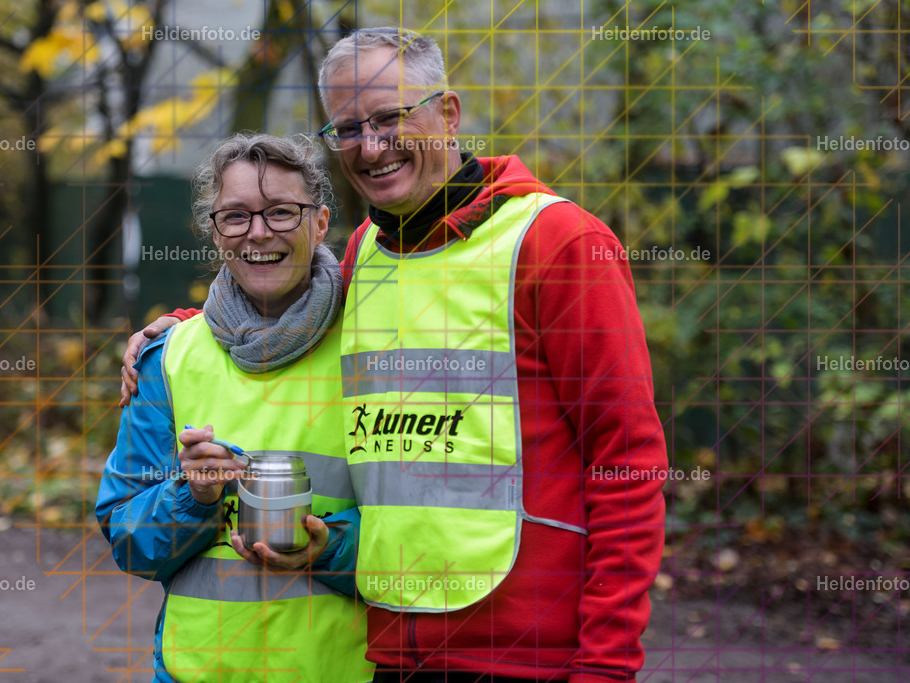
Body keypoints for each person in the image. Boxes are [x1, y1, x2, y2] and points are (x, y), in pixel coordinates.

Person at [124, 28, 667, 683]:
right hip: (391, 647)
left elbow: (627, 462)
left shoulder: (558, 241)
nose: (372, 146)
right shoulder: (368, 255)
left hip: (526, 656)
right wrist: (185, 326)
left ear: (449, 113)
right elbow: (288, 305)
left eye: (390, 118)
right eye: (348, 127)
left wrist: (606, 666)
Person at [96, 133, 372, 682]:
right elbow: (129, 541)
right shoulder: (167, 358)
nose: (259, 233)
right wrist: (192, 496)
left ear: (319, 224)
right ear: (214, 231)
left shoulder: (376, 348)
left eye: (281, 213)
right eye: (237, 216)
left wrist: (330, 547)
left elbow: (425, 529)